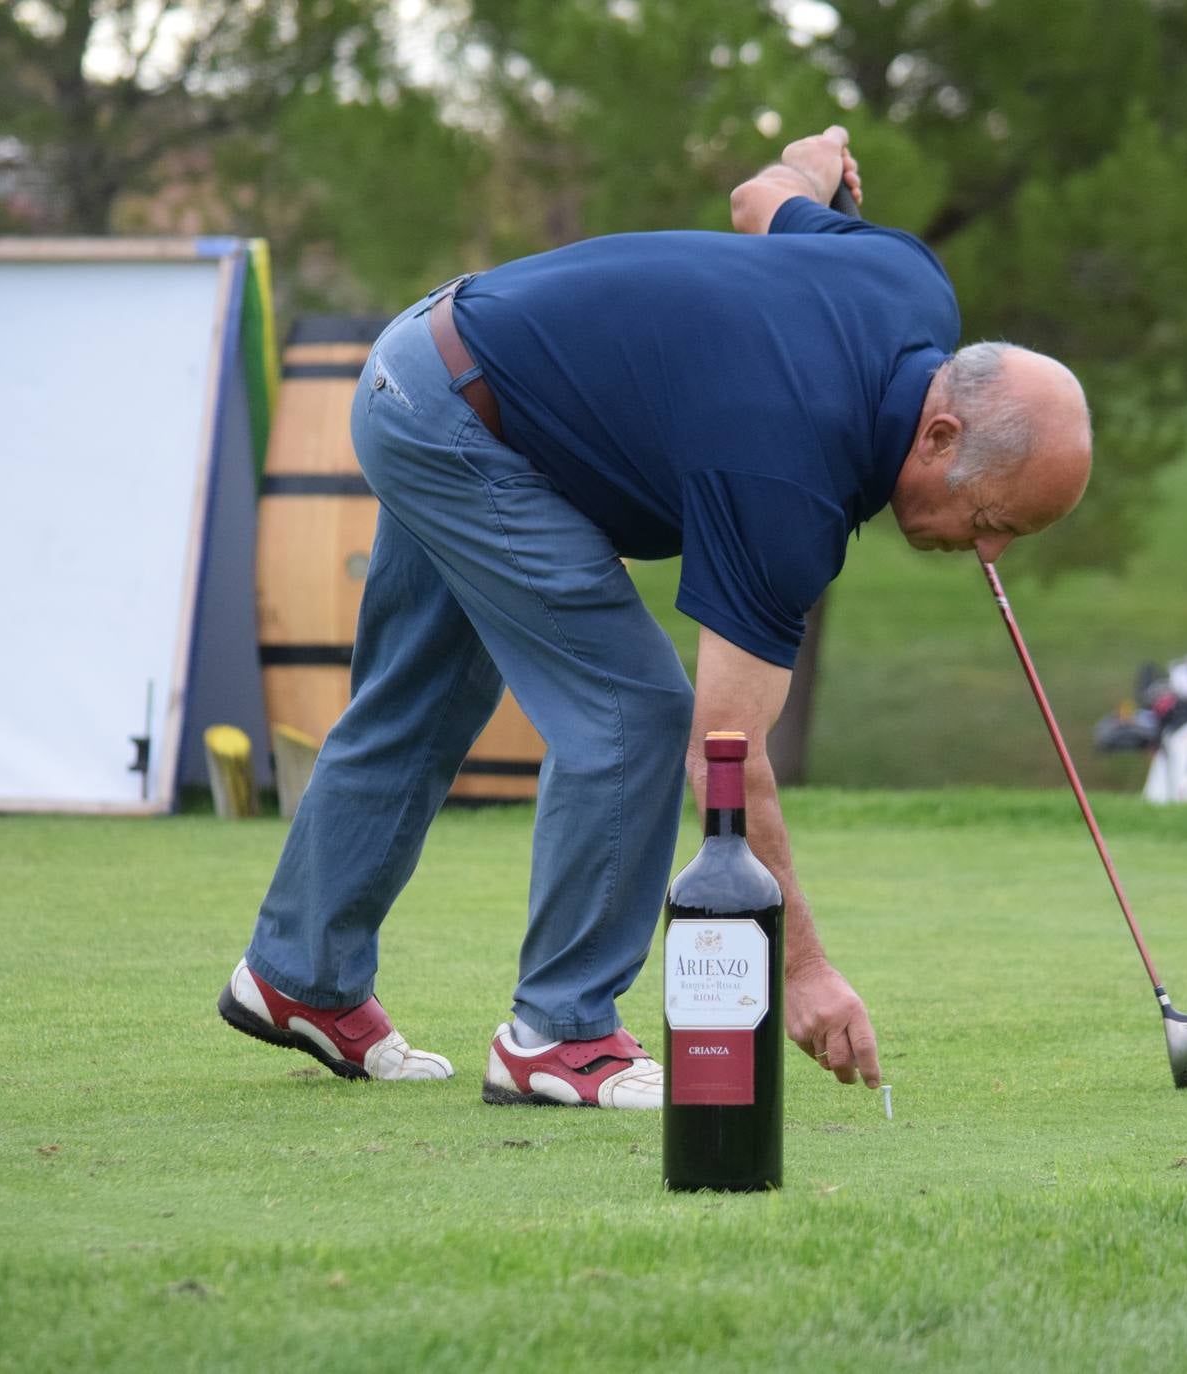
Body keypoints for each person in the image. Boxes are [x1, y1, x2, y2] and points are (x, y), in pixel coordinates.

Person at [217, 126, 1093, 1107]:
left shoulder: (907, 279)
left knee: (420, 702)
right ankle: (561, 1032)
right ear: (940, 433)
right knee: (633, 714)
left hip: (433, 364)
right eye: (993, 521)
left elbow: (759, 196)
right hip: (461, 417)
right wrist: (802, 968)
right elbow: (726, 749)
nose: (988, 554)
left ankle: (299, 978)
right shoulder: (788, 487)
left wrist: (812, 166)